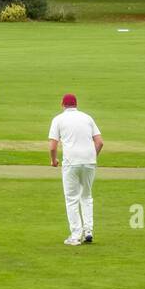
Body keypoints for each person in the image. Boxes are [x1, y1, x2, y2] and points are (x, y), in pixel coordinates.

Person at [48, 93, 103, 245]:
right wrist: (92, 156)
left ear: (62, 104)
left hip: (71, 162)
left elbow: (53, 146)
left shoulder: (58, 119)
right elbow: (99, 142)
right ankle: (88, 231)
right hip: (89, 161)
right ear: (76, 104)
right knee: (86, 196)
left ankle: (75, 235)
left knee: (71, 199)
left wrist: (53, 161)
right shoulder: (87, 117)